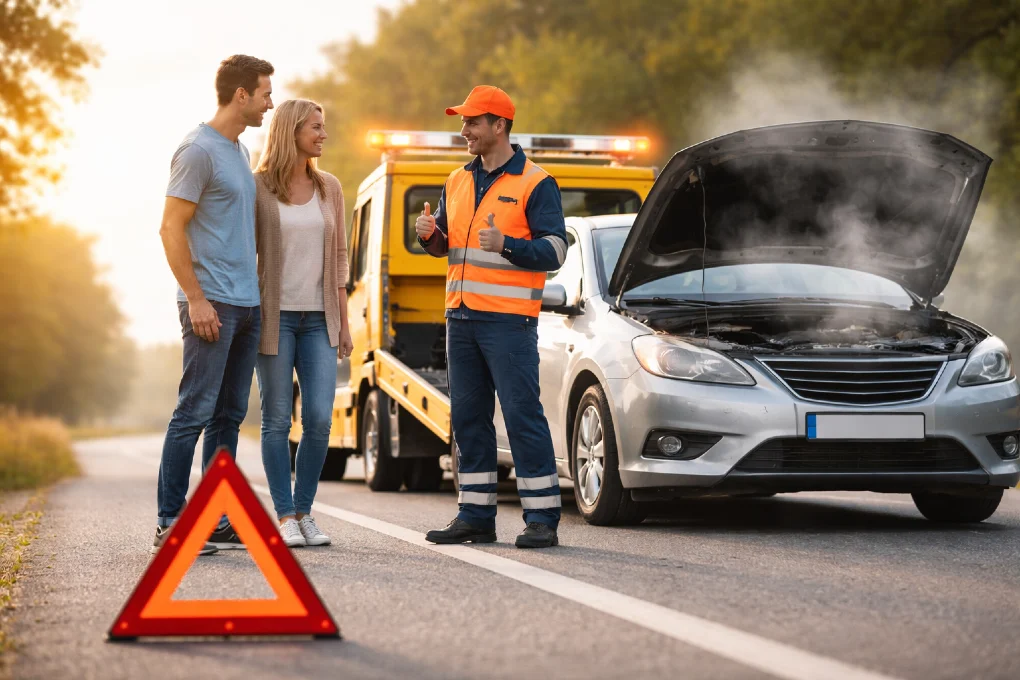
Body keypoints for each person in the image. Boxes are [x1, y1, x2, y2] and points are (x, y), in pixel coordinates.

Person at [417, 86, 567, 549]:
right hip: (460, 318)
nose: (464, 130)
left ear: (499, 125)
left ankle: (542, 518)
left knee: (522, 416)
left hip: (509, 322)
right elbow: (447, 244)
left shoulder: (536, 182)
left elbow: (556, 250)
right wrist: (430, 236)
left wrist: (507, 245)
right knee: (467, 419)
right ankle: (475, 516)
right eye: (463, 122)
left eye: (472, 122)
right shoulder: (456, 180)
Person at [154, 55, 274, 555]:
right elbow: (170, 228)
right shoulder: (197, 150)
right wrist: (197, 299)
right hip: (212, 305)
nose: (270, 103)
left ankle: (216, 517)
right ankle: (170, 523)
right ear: (241, 94)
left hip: (246, 304)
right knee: (193, 412)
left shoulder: (239, 150)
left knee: (228, 417)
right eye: (265, 93)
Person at [253, 99, 353, 548]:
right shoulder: (258, 188)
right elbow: (247, 254)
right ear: (291, 131)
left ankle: (306, 511)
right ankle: (285, 516)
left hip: (319, 320)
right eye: (315, 127)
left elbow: (340, 260)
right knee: (276, 420)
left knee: (318, 418)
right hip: (273, 318)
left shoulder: (330, 187)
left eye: (323, 126)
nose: (323, 134)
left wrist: (344, 323)